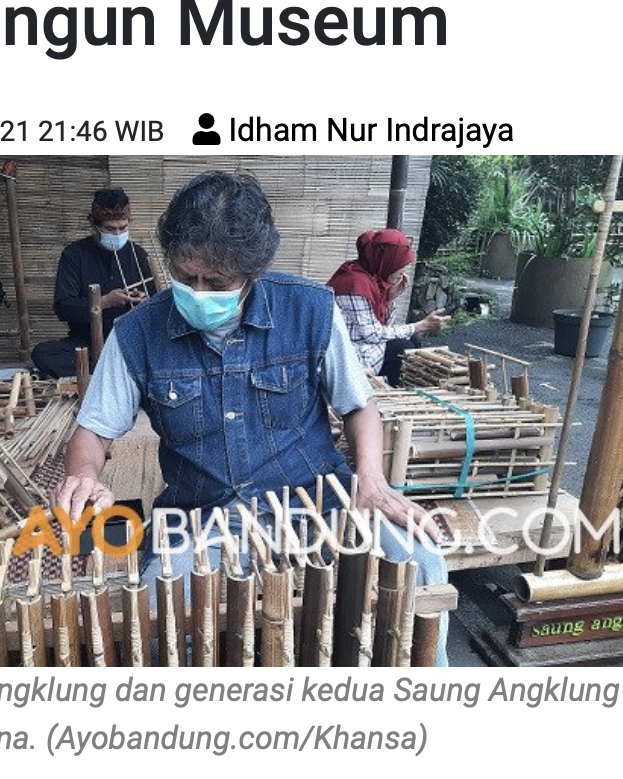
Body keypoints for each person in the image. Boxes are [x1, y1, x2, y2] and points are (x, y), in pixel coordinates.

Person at [54, 172, 449, 665]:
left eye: (216, 283)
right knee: (156, 617)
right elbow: (91, 432)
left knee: (423, 561)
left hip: (315, 501)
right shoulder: (137, 333)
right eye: (184, 277)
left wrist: (370, 480)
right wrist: (83, 475)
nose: (197, 292)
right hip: (203, 516)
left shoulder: (310, 310)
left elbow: (358, 405)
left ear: (253, 273)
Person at [32, 188, 154, 378]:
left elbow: (158, 303)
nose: (117, 234)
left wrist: (144, 300)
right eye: (110, 229)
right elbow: (63, 307)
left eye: (123, 227)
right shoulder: (74, 255)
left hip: (131, 342)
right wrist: (104, 302)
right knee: (43, 353)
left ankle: (104, 374)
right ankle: (112, 374)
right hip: (85, 344)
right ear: (94, 225)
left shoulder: (139, 255)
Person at [328, 229, 450, 386]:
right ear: (386, 260)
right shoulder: (354, 283)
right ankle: (387, 396)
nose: (402, 272)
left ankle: (406, 389)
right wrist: (420, 325)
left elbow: (384, 328)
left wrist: (389, 298)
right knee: (402, 348)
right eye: (399, 265)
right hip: (346, 352)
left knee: (413, 339)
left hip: (364, 342)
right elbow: (373, 334)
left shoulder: (371, 278)